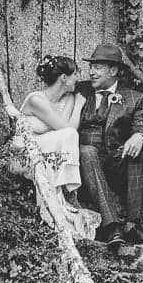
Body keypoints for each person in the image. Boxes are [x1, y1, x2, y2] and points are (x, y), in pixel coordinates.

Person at [73, 41, 143, 246]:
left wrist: (139, 137)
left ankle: (132, 225)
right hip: (84, 163)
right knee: (88, 151)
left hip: (114, 162)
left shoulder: (133, 98)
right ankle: (112, 227)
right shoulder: (79, 90)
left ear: (113, 70)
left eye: (97, 67)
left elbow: (142, 127)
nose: (91, 72)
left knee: (142, 152)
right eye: (91, 67)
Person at [18, 53, 100, 243]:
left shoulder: (68, 98)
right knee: (69, 134)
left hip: (49, 150)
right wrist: (79, 107)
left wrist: (76, 103)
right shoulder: (36, 100)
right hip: (25, 152)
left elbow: (69, 130)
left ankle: (68, 193)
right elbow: (67, 128)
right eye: (75, 74)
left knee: (70, 136)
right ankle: (66, 194)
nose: (77, 79)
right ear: (64, 78)